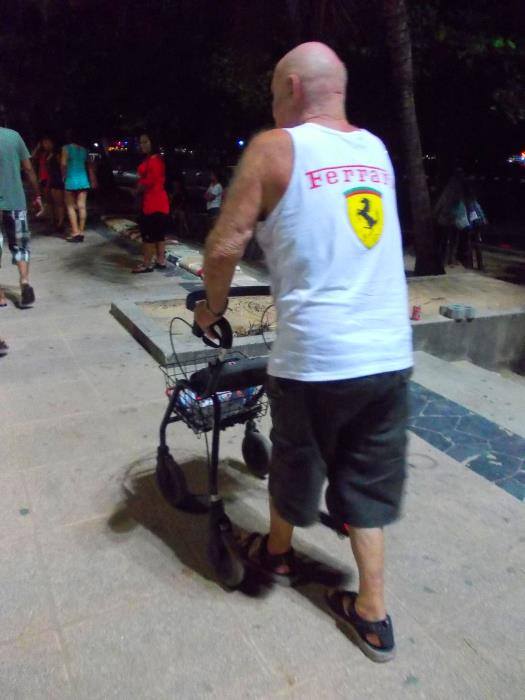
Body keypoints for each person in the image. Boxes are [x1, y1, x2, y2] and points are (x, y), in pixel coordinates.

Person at [194, 42, 413, 663]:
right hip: (388, 354)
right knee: (365, 478)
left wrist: (211, 309)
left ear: (292, 87)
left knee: (297, 461)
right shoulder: (375, 150)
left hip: (317, 357)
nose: (272, 105)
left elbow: (225, 246)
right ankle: (373, 612)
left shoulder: (274, 147)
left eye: (273, 93)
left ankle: (279, 554)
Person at [0, 125, 44, 310]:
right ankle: (24, 282)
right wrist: (37, 195)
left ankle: (0, 296)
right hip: (16, 201)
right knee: (21, 245)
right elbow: (28, 168)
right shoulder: (14, 136)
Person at [132, 133, 170, 273]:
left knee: (148, 236)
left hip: (152, 203)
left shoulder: (153, 160)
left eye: (145, 142)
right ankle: (160, 260)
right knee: (159, 234)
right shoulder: (156, 159)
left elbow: (149, 181)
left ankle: (147, 264)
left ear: (153, 142)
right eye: (141, 142)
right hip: (160, 202)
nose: (142, 145)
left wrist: (136, 190)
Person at [61, 130, 96, 242]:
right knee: (82, 206)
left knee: (70, 207)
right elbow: (89, 165)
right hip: (83, 179)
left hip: (71, 179)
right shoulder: (84, 150)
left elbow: (63, 164)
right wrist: (93, 179)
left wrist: (63, 176)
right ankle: (81, 232)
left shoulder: (66, 148)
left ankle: (75, 232)